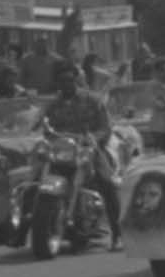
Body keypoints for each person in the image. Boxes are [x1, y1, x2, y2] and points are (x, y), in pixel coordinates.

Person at [45, 65, 124, 250]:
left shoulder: (92, 100)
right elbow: (47, 129)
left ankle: (118, 234)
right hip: (63, 152)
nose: (66, 84)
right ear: (57, 83)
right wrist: (49, 137)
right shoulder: (52, 106)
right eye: (62, 80)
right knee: (39, 176)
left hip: (89, 149)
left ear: (76, 80)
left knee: (107, 184)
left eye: (70, 80)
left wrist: (93, 138)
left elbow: (105, 127)